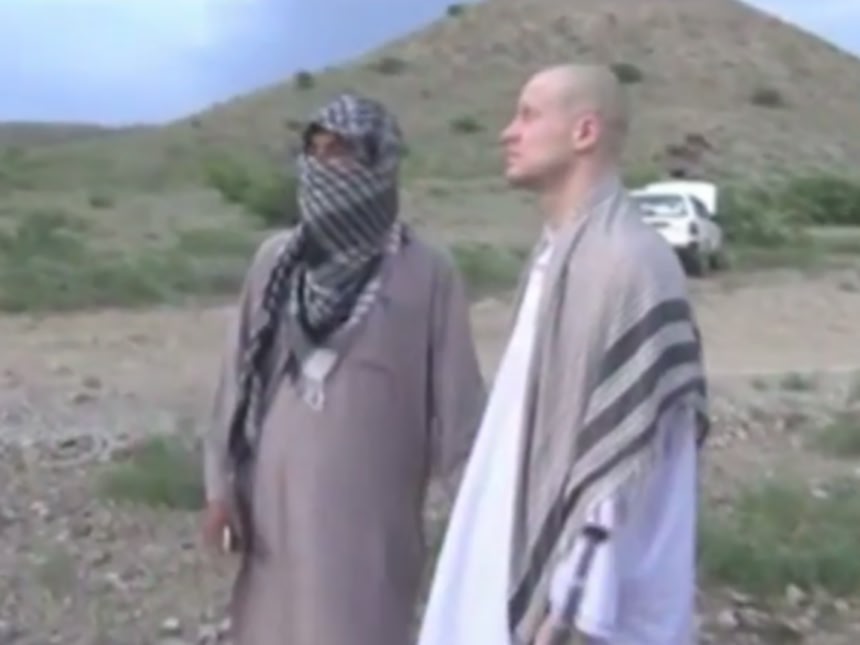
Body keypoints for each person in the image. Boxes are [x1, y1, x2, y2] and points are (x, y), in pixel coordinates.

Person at [417, 64, 709, 645]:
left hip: (587, 613)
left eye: (528, 116)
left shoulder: (628, 265)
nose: (508, 132)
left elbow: (621, 466)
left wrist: (570, 609)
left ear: (584, 133)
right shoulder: (558, 256)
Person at [201, 92, 485, 645]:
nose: (324, 166)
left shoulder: (427, 271)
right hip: (274, 509)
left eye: (341, 152)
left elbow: (460, 412)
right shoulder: (276, 263)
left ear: (379, 162)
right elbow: (235, 384)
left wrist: (480, 524)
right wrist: (220, 490)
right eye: (316, 151)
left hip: (371, 514)